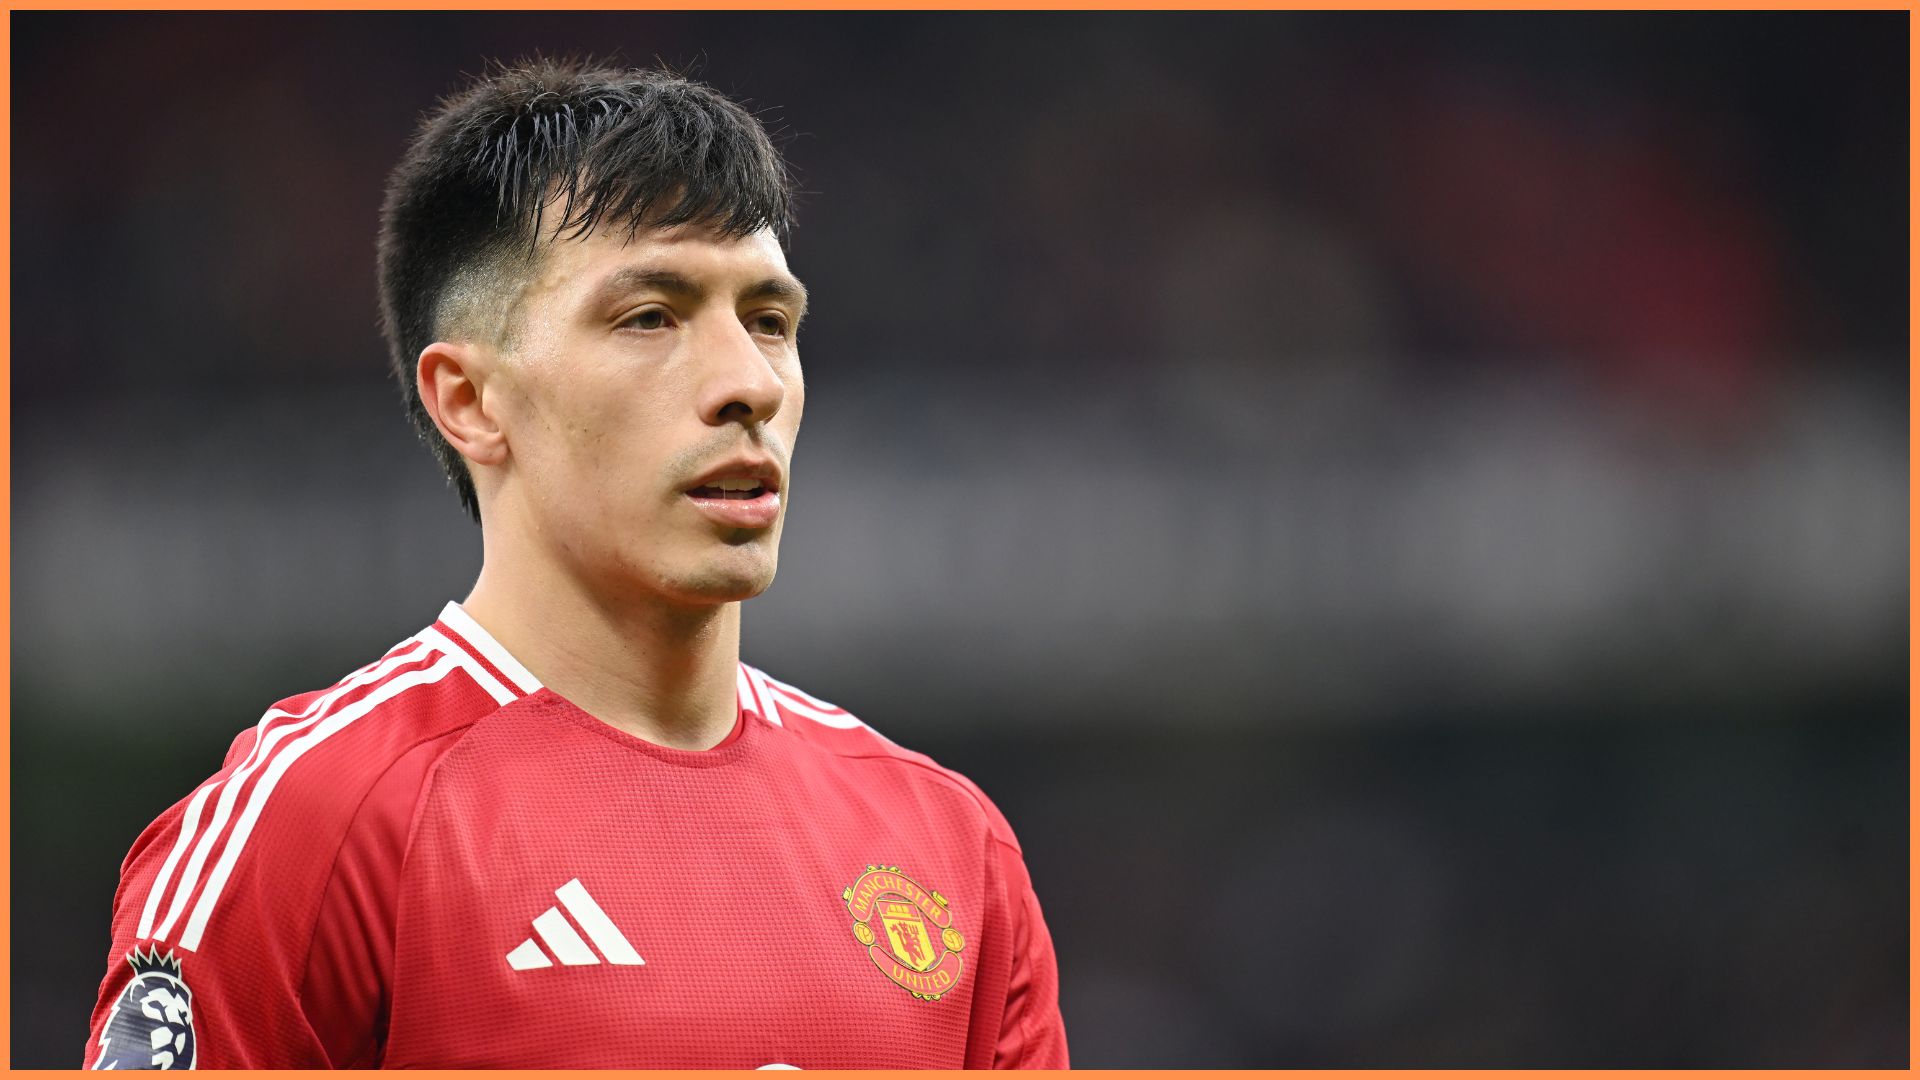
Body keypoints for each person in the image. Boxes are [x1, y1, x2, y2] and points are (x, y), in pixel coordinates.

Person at [83, 58, 1067, 1070]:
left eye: (770, 321)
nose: (748, 385)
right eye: (651, 317)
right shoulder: (313, 822)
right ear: (469, 400)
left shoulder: (950, 846)